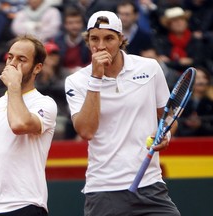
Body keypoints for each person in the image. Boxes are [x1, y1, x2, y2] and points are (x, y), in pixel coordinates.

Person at [64, 11, 180, 215]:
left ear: (121, 39)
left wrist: (166, 134)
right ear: (88, 41)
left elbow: (168, 117)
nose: (100, 46)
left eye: (109, 38)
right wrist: (96, 79)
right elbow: (86, 131)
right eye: (94, 39)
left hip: (151, 185)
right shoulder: (76, 81)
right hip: (104, 189)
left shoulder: (150, 68)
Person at [0, 35, 57, 216]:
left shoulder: (45, 104)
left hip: (25, 205)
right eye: (10, 57)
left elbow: (19, 124)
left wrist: (13, 86)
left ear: (37, 68)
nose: (12, 63)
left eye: (21, 59)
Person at [176, 66, 213, 137]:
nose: (201, 81)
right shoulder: (181, 103)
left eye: (204, 77)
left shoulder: (210, 102)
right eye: (198, 78)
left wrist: (201, 125)